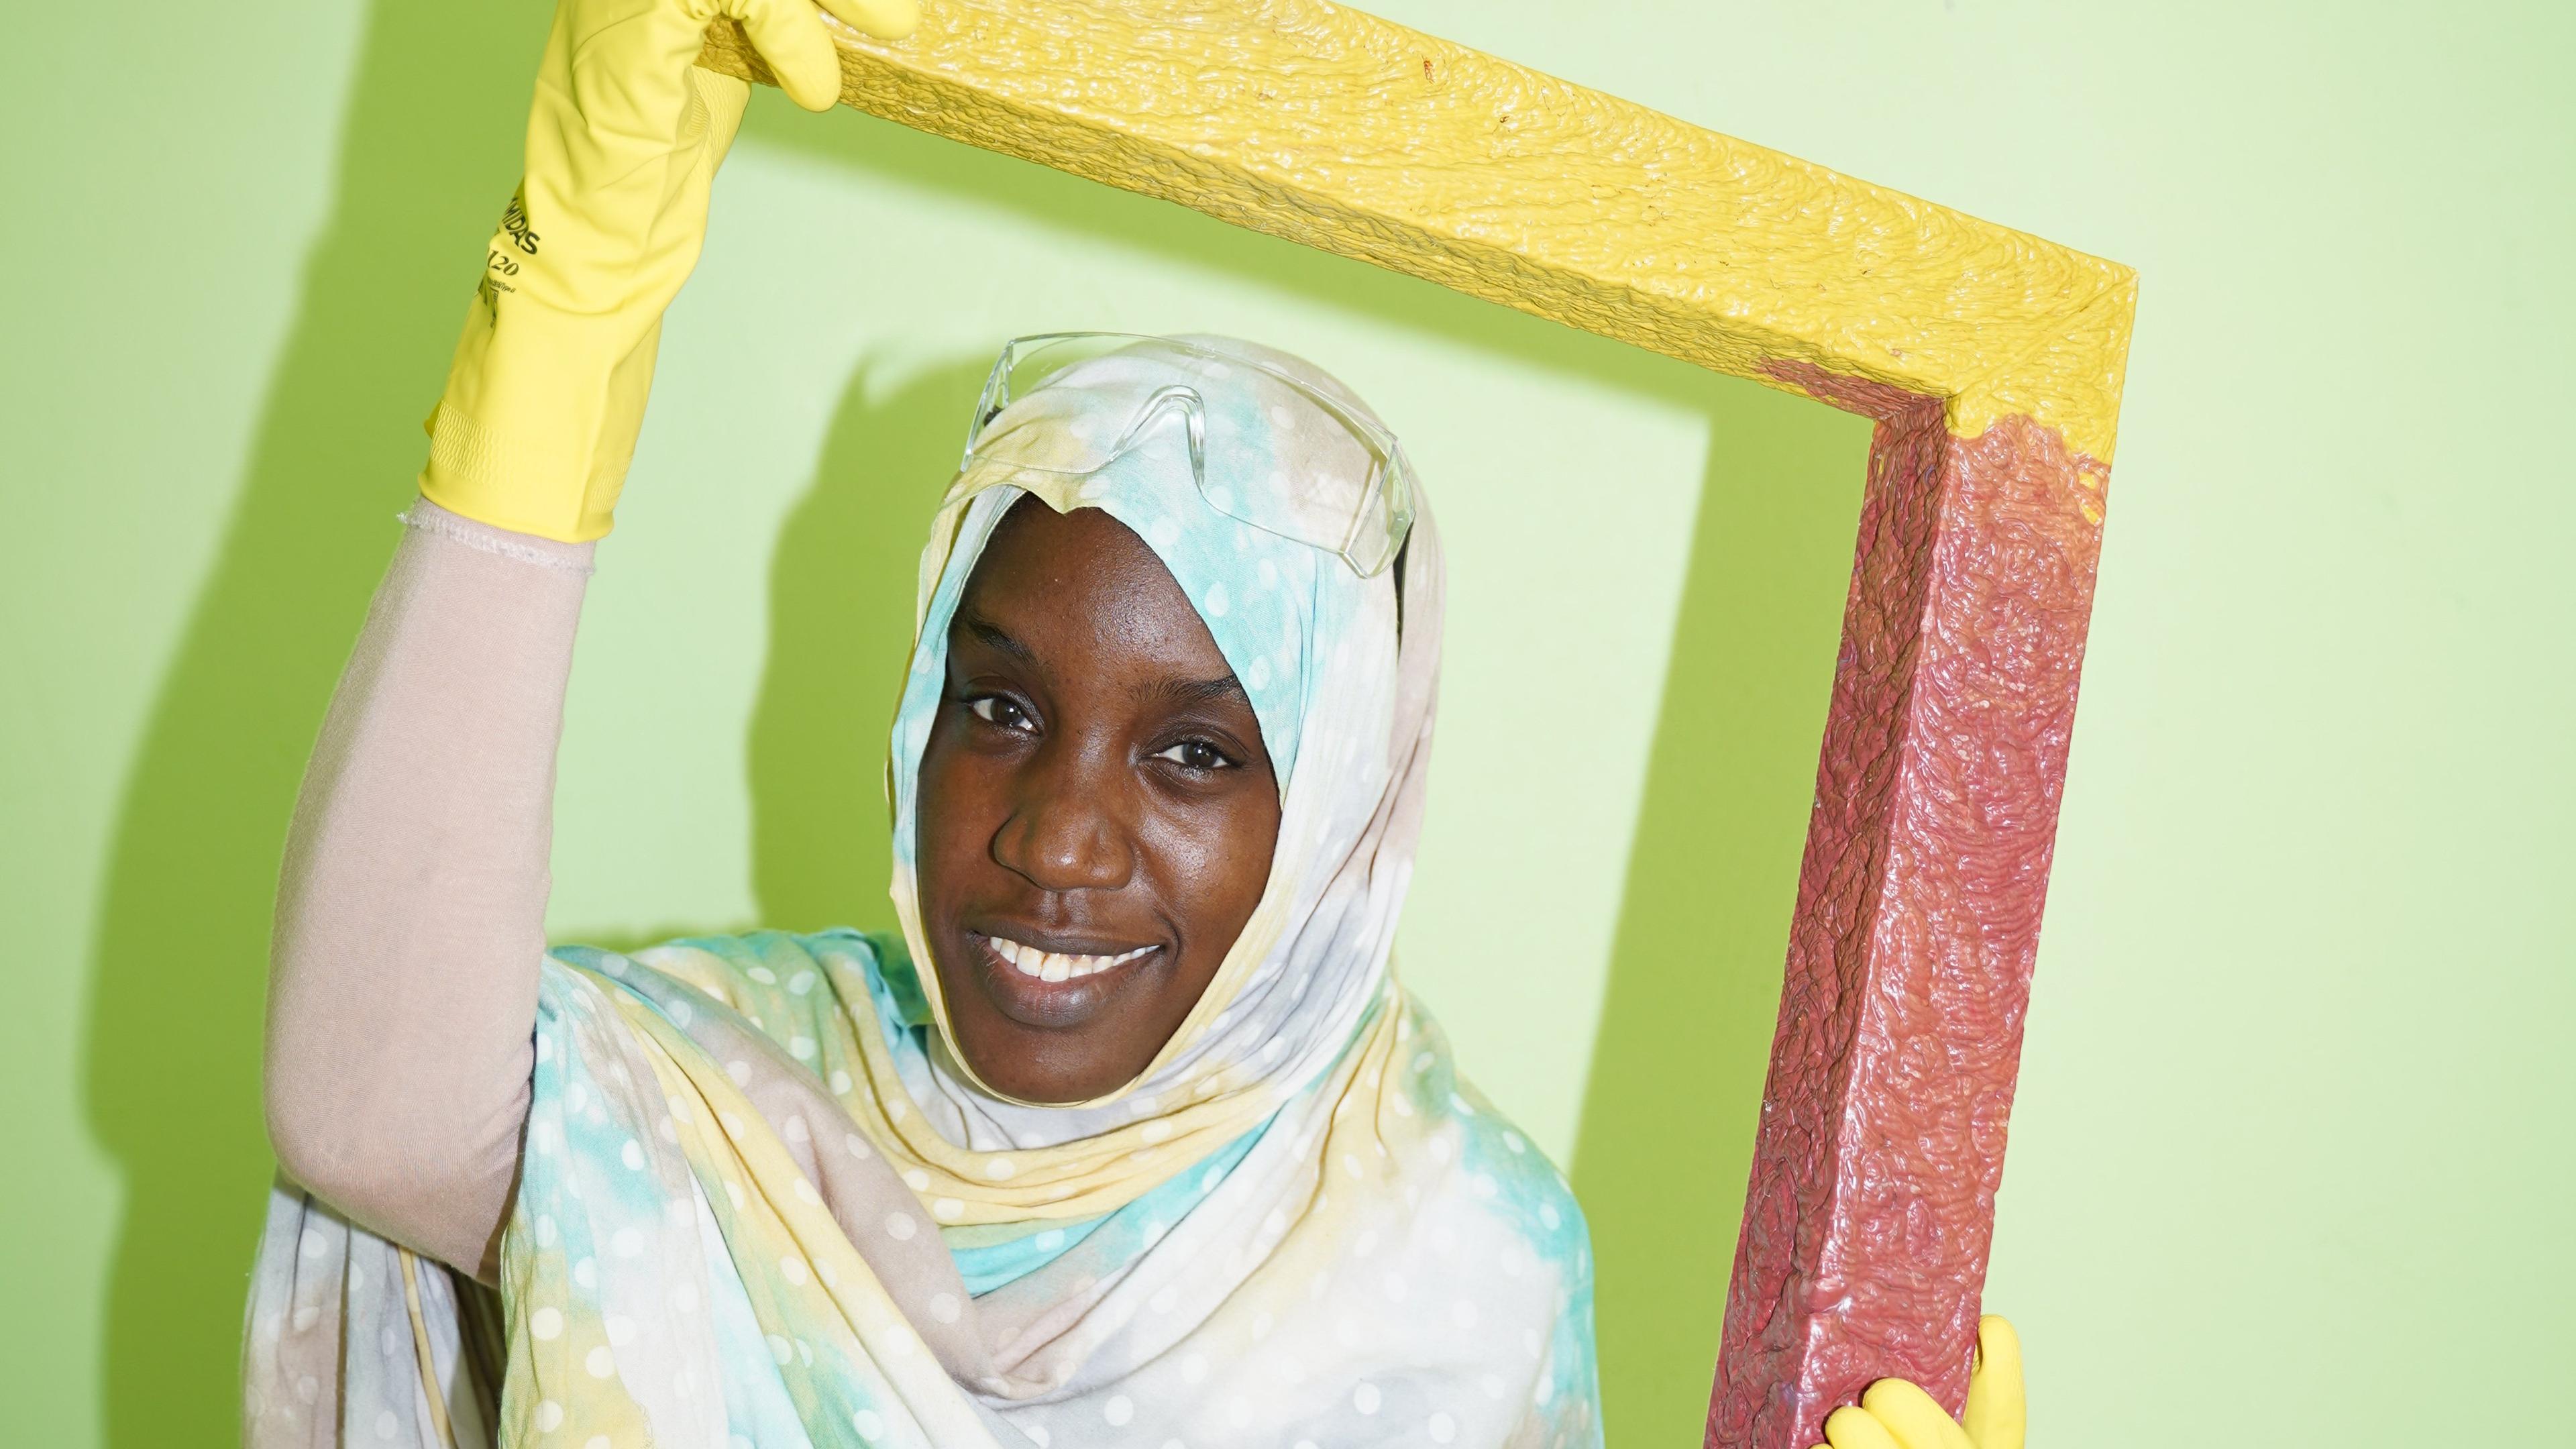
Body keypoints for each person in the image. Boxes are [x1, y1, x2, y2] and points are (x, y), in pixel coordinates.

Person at [241, 0, 2020, 1444]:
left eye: (1196, 752)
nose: (1051, 839)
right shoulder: (734, 1099)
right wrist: (564, 318)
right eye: (998, 702)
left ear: (1338, 816)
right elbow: (368, 1111)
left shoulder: (1451, 1271)